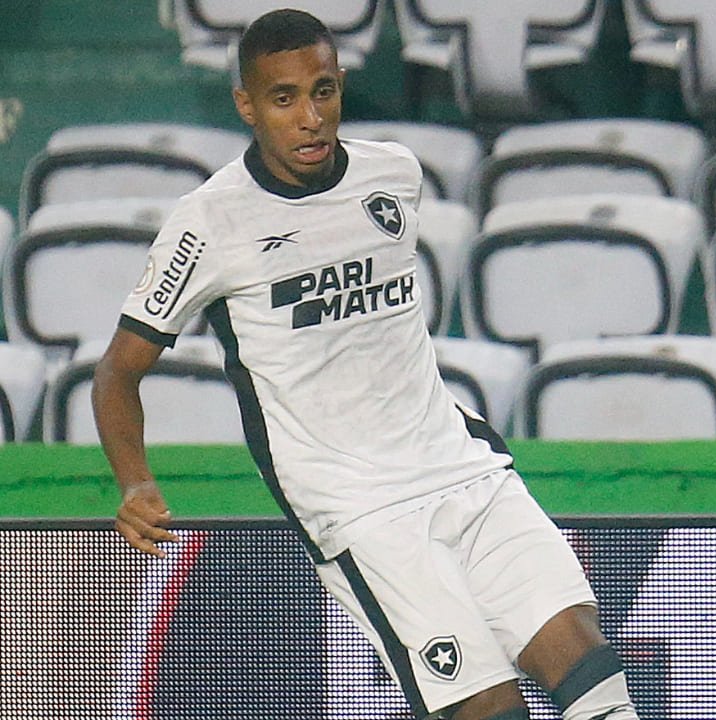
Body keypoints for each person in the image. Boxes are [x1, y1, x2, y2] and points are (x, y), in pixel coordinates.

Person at [91, 10, 640, 720]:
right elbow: (117, 372)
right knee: (493, 711)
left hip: (461, 470)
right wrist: (134, 481)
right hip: (362, 510)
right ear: (246, 105)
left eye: (323, 91)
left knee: (593, 674)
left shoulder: (394, 175)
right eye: (284, 98)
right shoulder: (209, 223)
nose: (310, 117)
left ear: (342, 86)